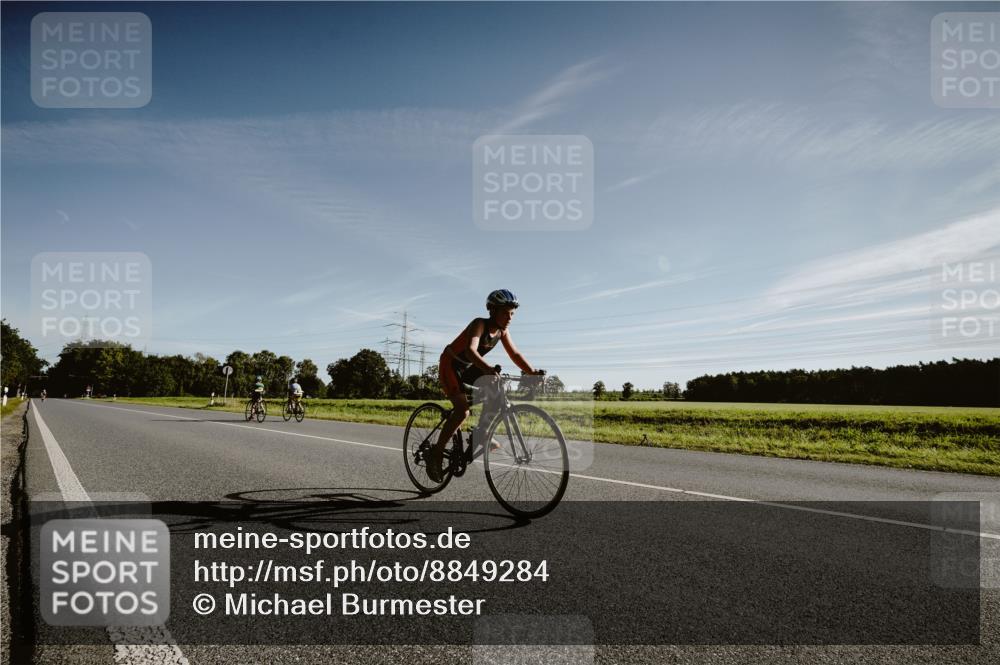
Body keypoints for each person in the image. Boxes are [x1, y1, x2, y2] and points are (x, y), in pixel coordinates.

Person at [425, 289, 544, 482]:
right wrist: (488, 368)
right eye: (505, 312)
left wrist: (532, 372)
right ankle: (436, 454)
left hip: (469, 368)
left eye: (512, 313)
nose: (510, 317)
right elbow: (471, 351)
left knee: (496, 388)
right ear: (492, 310)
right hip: (451, 364)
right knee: (462, 411)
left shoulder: (502, 331)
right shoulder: (479, 324)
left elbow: (515, 354)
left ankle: (481, 434)